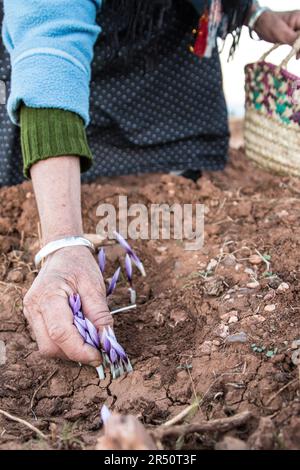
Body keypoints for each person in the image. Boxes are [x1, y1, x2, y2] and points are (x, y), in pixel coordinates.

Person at [1, 1, 299, 367]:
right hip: (84, 77)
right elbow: (49, 49)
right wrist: (63, 242)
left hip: (171, 78)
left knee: (178, 184)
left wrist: (255, 15)